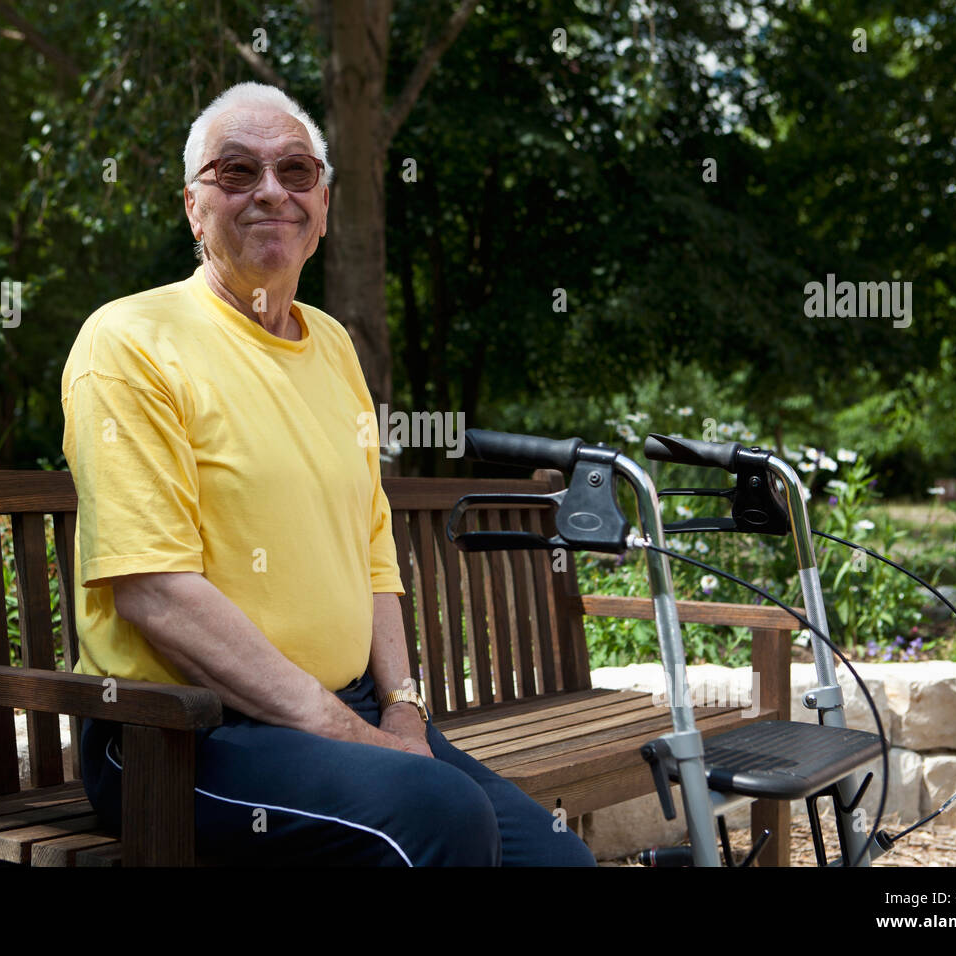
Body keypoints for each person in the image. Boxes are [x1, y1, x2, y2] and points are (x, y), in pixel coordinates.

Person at [60, 80, 597, 866]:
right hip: (181, 735)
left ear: (322, 207)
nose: (271, 191)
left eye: (296, 171)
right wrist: (353, 736)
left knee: (558, 861)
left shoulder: (335, 347)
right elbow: (155, 589)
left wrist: (403, 715)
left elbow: (372, 548)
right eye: (236, 171)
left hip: (341, 714)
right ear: (192, 208)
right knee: (437, 816)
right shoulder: (131, 340)